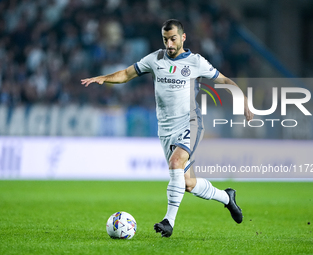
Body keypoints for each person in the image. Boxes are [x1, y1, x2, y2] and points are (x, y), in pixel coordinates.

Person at [81, 19, 254, 237]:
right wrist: (103, 79)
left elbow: (224, 81)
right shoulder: (155, 59)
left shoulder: (196, 62)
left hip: (189, 123)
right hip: (165, 128)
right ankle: (227, 198)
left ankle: (168, 221)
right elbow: (126, 74)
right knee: (188, 183)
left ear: (183, 37)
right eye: (165, 40)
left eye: (173, 39)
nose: (169, 44)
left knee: (175, 162)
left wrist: (243, 100)